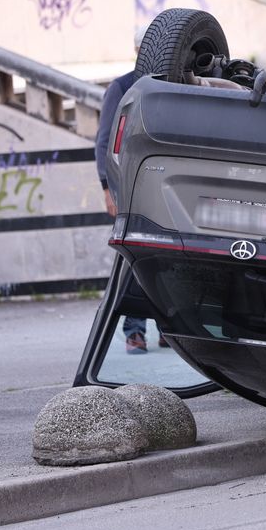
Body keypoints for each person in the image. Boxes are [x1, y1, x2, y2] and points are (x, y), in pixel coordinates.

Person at [94, 24, 162, 354]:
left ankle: (168, 327)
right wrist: (107, 188)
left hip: (162, 183)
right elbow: (105, 141)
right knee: (133, 258)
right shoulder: (121, 86)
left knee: (167, 258)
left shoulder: (174, 83)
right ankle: (135, 330)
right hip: (129, 184)